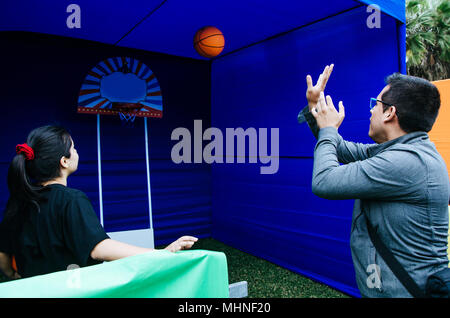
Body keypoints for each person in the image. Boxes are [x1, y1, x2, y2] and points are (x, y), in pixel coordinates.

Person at [298, 64, 449, 297]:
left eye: (375, 104)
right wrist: (315, 108)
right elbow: (341, 149)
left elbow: (324, 180)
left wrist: (328, 129)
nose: (371, 112)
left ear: (390, 112)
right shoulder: (400, 152)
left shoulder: (407, 162)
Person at [0, 125, 198, 279]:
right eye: (73, 148)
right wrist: (161, 253)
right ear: (64, 161)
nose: (77, 152)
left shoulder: (17, 202)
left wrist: (11, 273)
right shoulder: (72, 200)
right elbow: (99, 248)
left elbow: (3, 255)